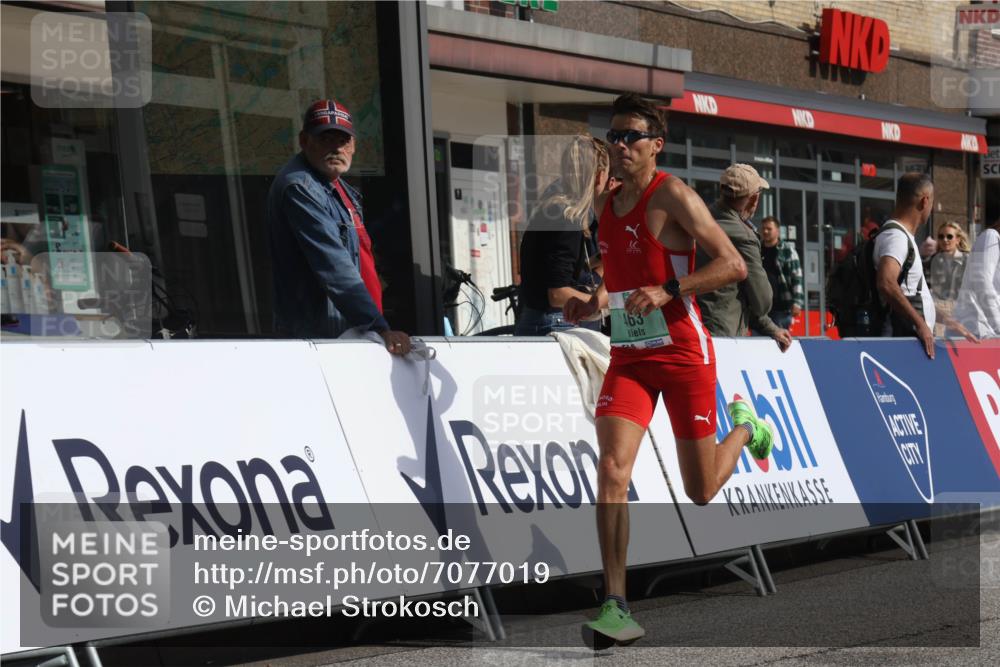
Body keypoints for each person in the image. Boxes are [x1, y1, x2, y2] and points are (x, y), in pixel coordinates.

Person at [563, 93, 774, 649]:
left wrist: (670, 290)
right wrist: (594, 302)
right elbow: (620, 271)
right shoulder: (605, 206)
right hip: (632, 356)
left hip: (683, 352)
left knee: (701, 489)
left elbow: (731, 264)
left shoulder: (673, 194)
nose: (620, 144)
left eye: (632, 135)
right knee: (611, 469)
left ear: (656, 144)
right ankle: (615, 603)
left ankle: (747, 427)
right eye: (614, 134)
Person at [266, 99, 410, 355]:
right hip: (321, 340)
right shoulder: (300, 187)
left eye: (342, 141)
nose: (336, 148)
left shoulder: (337, 187)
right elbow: (334, 266)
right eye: (325, 139)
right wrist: (378, 326)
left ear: (353, 145)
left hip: (352, 330)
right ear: (304, 140)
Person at [515, 135, 609, 336]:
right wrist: (608, 302)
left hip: (541, 319)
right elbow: (557, 293)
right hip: (554, 323)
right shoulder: (568, 217)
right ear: (600, 176)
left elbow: (555, 269)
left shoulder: (554, 209)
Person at [695, 164, 792, 352]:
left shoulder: (700, 219)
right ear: (754, 198)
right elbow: (762, 302)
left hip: (692, 325)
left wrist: (771, 328)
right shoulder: (743, 236)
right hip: (722, 333)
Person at [874, 173, 938, 357]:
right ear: (925, 201)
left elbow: (907, 288)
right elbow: (886, 282)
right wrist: (920, 324)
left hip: (910, 340)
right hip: (907, 342)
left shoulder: (901, 236)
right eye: (932, 202)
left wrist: (945, 318)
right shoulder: (897, 237)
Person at [953, 218, 1000, 338]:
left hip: (988, 333)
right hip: (975, 330)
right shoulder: (991, 236)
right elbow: (982, 282)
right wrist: (998, 326)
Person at [758, 215, 804, 330]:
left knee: (778, 343)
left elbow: (796, 277)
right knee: (757, 343)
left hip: (780, 308)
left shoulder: (787, 250)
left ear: (777, 231)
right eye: (763, 228)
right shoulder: (757, 249)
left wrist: (797, 303)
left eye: (769, 229)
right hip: (759, 307)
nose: (765, 231)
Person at [928, 221, 969, 336]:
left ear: (958, 239)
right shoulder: (931, 260)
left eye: (949, 236)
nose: (945, 240)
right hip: (939, 312)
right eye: (941, 236)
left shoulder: (968, 260)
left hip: (962, 311)